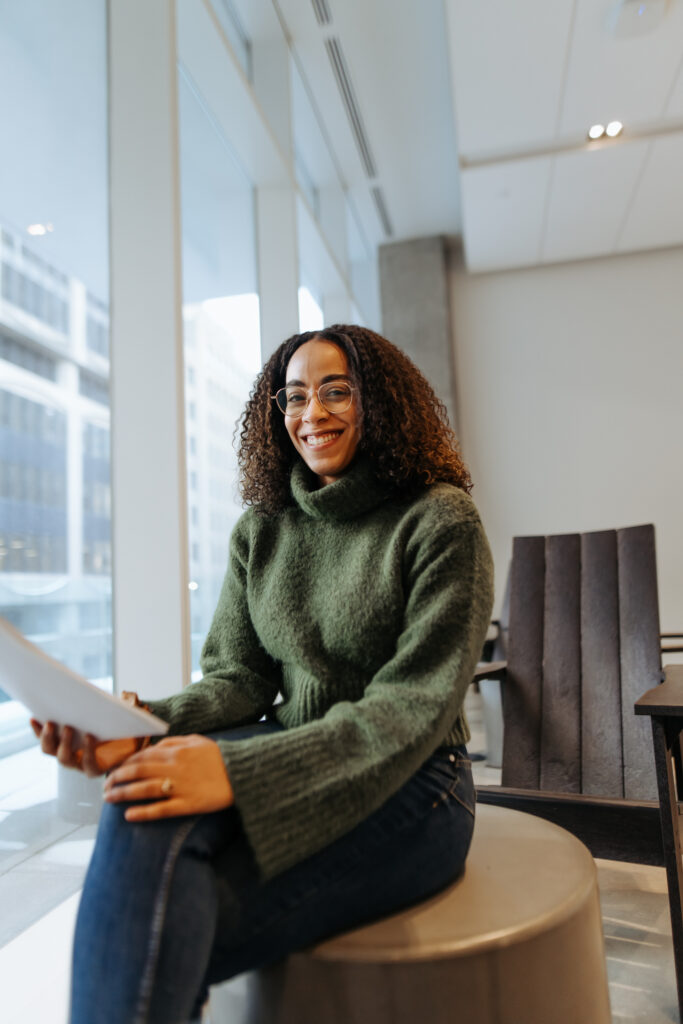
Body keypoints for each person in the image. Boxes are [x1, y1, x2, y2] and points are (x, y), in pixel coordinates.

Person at [33, 324, 494, 1024]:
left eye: (337, 391)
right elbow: (238, 679)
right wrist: (144, 723)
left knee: (155, 927)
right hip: (289, 745)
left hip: (419, 780)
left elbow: (413, 708)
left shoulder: (439, 519)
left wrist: (239, 772)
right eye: (294, 396)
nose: (312, 414)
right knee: (141, 796)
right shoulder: (263, 528)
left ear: (383, 402)